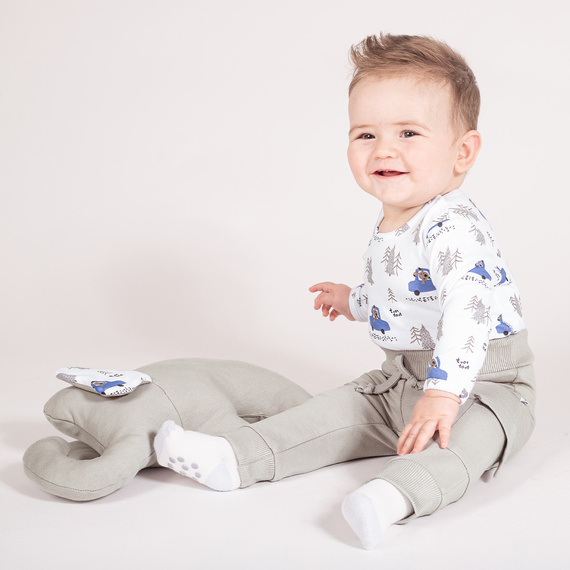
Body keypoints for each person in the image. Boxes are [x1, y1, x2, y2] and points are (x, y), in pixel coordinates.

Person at [153, 33, 535, 550]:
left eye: (408, 132)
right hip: (402, 380)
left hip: (486, 384)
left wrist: (444, 395)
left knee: (464, 445)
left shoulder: (453, 225)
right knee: (333, 412)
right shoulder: (396, 219)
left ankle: (392, 496)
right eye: (365, 134)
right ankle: (234, 457)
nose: (384, 149)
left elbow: (468, 307)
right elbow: (404, 296)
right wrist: (354, 300)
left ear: (462, 152)